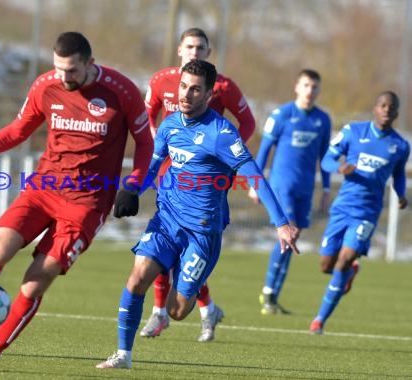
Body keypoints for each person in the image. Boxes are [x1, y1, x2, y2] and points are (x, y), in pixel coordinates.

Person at [0, 31, 154, 373]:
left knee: (35, 281)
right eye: (58, 69)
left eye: (72, 71)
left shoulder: (121, 91)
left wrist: (133, 186)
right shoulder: (45, 86)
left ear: (90, 64)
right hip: (42, 189)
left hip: (86, 204)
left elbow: (144, 142)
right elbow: (18, 130)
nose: (64, 77)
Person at [96, 59, 299, 370]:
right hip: (167, 219)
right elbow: (154, 164)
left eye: (195, 90)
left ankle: (207, 305)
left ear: (208, 94)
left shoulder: (221, 133)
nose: (185, 95)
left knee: (177, 310)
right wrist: (133, 188)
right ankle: (123, 354)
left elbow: (255, 175)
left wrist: (281, 222)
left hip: (202, 231)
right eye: (183, 87)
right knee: (137, 279)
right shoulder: (170, 125)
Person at [141, 27, 257, 342]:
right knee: (164, 246)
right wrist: (156, 145)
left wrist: (230, 156)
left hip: (205, 179)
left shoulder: (223, 86)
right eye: (190, 46)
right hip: (169, 173)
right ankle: (165, 311)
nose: (195, 51)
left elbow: (248, 122)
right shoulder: (160, 80)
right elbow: (146, 114)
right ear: (179, 49)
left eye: (201, 47)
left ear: (208, 53)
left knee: (185, 249)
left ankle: (192, 310)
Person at [309, 91, 409, 334]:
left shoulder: (400, 146)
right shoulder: (353, 132)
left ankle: (319, 321)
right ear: (375, 108)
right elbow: (327, 160)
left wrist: (401, 194)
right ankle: (350, 272)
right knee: (326, 265)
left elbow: (398, 175)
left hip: (368, 212)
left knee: (343, 260)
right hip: (342, 208)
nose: (387, 110)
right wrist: (339, 167)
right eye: (383, 105)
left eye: (391, 107)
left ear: (396, 112)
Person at [248, 69, 332, 315]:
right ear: (297, 87)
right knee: (289, 234)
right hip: (281, 185)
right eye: (306, 85)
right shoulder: (282, 114)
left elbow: (325, 157)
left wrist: (326, 189)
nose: (310, 91)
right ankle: (268, 292)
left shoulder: (322, 120)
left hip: (306, 188)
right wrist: (255, 183)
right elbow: (264, 151)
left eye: (314, 86)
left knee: (292, 240)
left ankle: (272, 296)